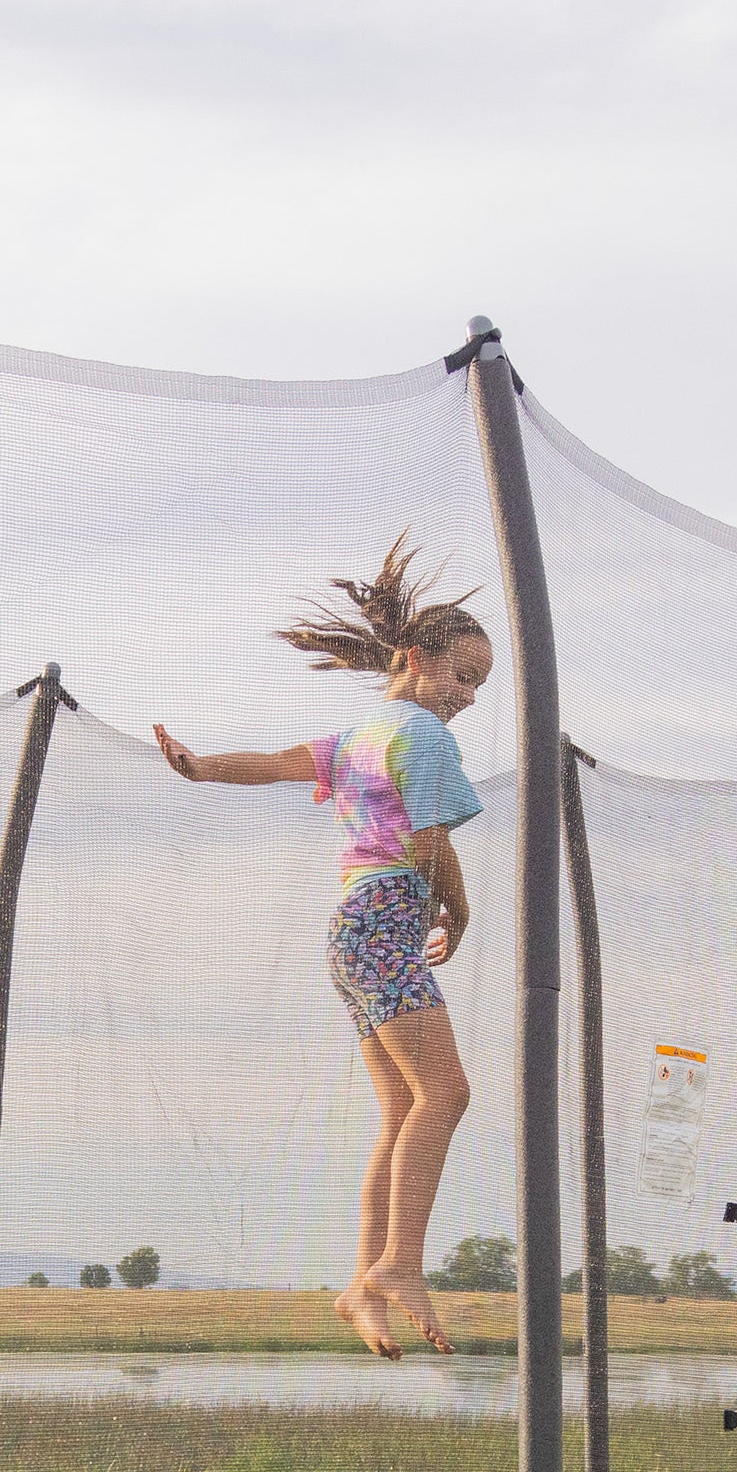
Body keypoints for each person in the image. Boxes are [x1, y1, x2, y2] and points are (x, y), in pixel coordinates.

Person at [153, 538, 490, 1358]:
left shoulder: (360, 734)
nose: (469, 697)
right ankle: (400, 1264)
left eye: (480, 685)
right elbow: (429, 841)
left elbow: (271, 763)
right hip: (381, 923)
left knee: (404, 1109)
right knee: (446, 1096)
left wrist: (201, 769)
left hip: (350, 934)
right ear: (416, 658)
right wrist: (462, 908)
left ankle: (360, 1285)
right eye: (463, 676)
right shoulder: (423, 736)